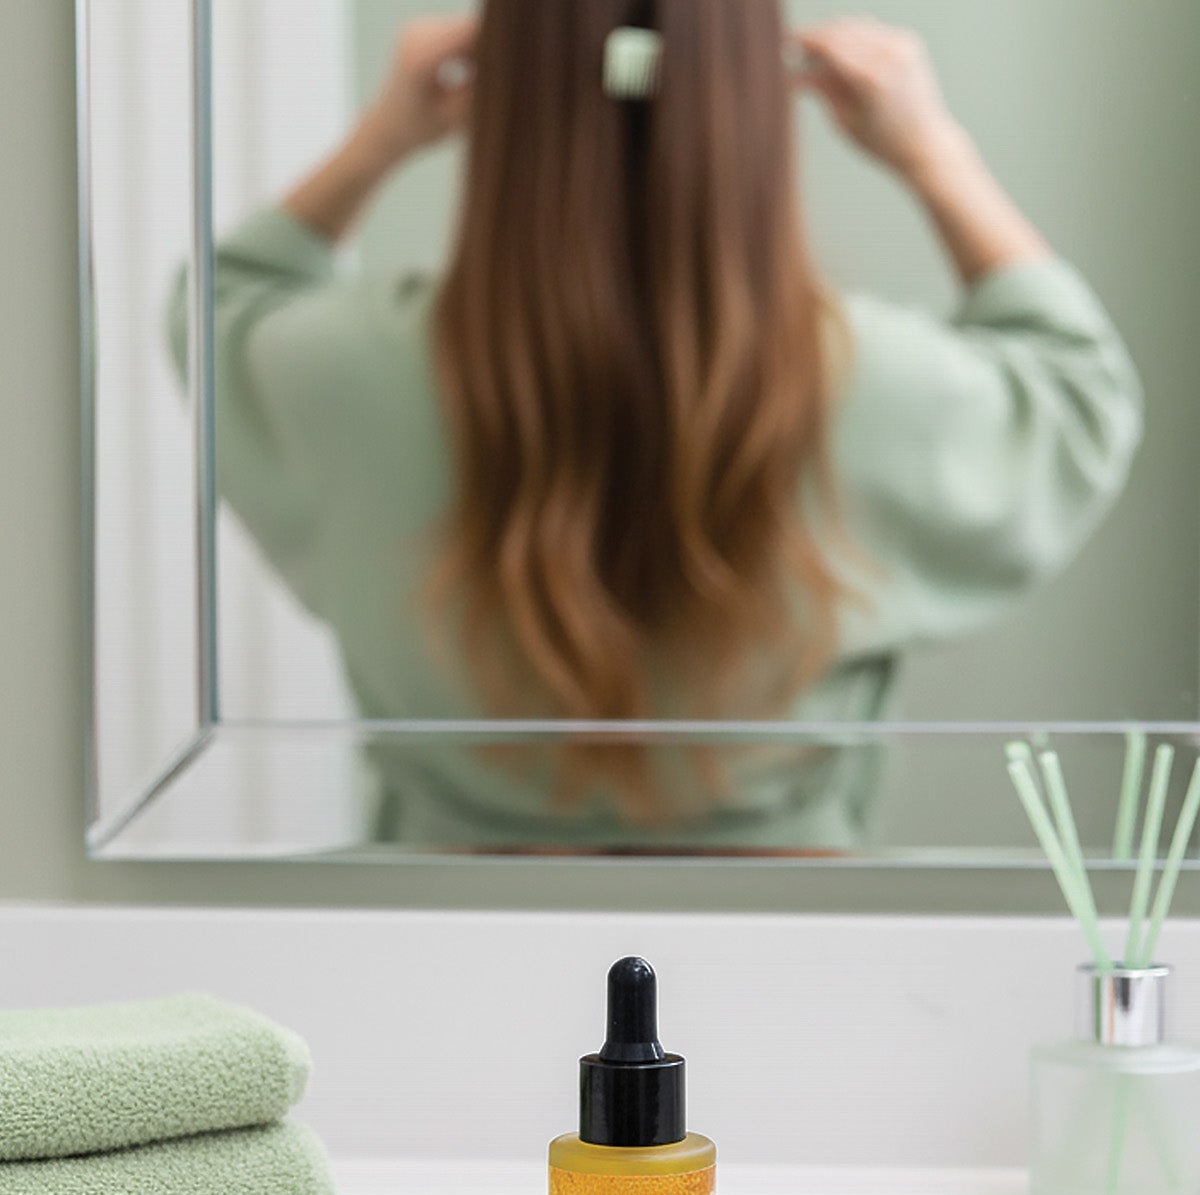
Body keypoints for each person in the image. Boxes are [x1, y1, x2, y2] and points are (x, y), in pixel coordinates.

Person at [170, 5, 1143, 852]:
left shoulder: (349, 373)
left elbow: (219, 302)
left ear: (502, 102)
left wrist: (381, 138)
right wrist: (935, 154)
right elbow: (1078, 385)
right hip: (797, 947)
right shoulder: (879, 387)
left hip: (442, 931)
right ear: (758, 105)